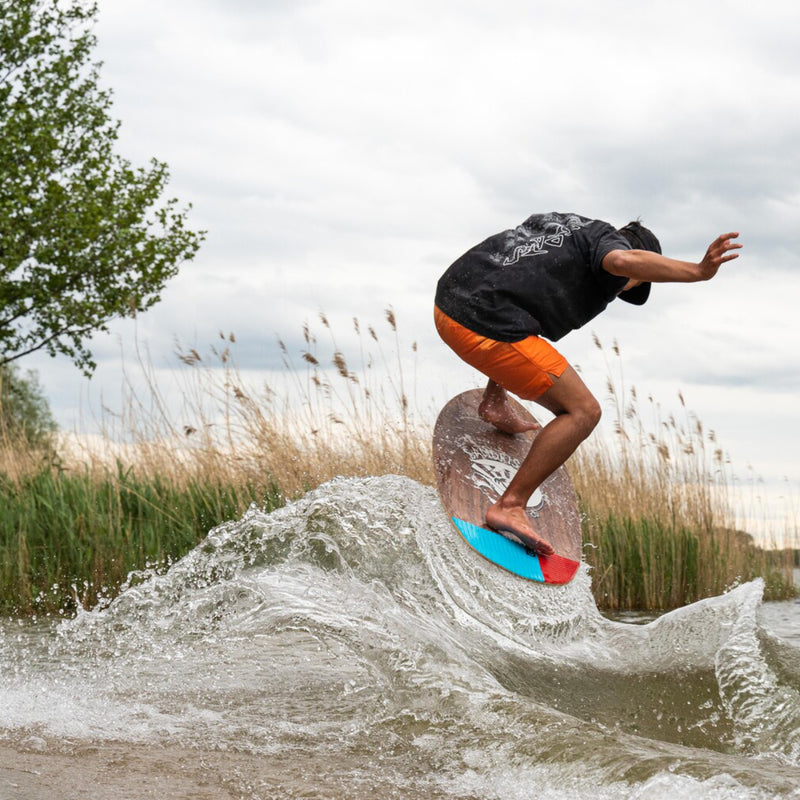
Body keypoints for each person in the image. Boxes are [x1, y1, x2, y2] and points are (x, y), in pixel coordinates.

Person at [434, 212, 741, 556]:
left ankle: (495, 402)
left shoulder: (564, 228)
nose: (622, 290)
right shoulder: (611, 248)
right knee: (583, 411)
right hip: (481, 325)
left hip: (448, 305)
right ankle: (511, 505)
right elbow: (622, 260)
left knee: (526, 334)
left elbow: (512, 285)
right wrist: (698, 272)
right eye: (635, 281)